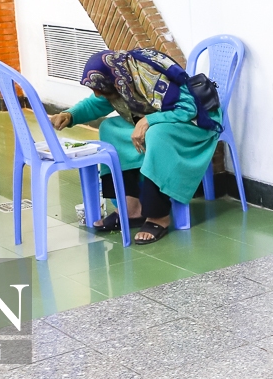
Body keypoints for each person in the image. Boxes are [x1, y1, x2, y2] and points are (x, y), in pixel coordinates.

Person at [50, 48, 221, 244]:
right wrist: (70, 115)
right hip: (167, 118)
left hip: (196, 121)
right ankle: (132, 208)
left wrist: (148, 120)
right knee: (110, 128)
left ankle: (158, 216)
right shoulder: (119, 79)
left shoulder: (149, 76)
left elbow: (189, 108)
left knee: (156, 134)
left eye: (99, 88)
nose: (97, 92)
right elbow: (96, 103)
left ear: (114, 79)